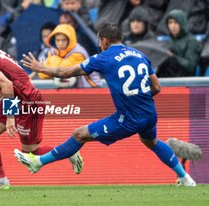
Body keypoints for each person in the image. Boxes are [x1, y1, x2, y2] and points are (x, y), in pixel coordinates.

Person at [16, 23, 196, 186]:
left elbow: (66, 72)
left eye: (99, 41)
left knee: (79, 134)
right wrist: (139, 99)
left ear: (104, 40)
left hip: (128, 118)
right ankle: (185, 178)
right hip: (149, 113)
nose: (99, 45)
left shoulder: (103, 57)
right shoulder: (140, 55)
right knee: (152, 142)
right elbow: (157, 87)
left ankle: (37, 162)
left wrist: (42, 68)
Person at [0, 28, 83, 190]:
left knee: (30, 152)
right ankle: (1, 180)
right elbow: (10, 74)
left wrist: (10, 116)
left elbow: (7, 84)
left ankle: (69, 151)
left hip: (28, 101)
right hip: (13, 97)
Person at [38, 24, 100, 88]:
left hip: (90, 89)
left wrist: (52, 60)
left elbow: (63, 72)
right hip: (70, 89)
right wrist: (48, 69)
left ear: (70, 40)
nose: (60, 43)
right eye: (58, 40)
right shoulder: (53, 51)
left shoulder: (78, 53)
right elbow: (43, 75)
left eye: (64, 40)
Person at [156, 10, 202, 77]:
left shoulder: (192, 41)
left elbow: (191, 66)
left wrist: (173, 56)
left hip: (185, 80)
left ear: (182, 23)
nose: (172, 26)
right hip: (167, 78)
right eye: (170, 23)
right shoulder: (168, 41)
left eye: (176, 22)